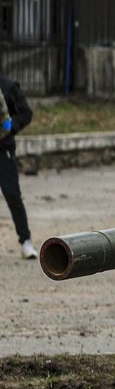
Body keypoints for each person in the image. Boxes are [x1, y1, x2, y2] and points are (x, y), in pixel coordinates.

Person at [0, 72, 36, 259]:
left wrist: (9, 128)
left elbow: (26, 113)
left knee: (12, 194)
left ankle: (26, 242)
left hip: (3, 150)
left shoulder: (8, 86)